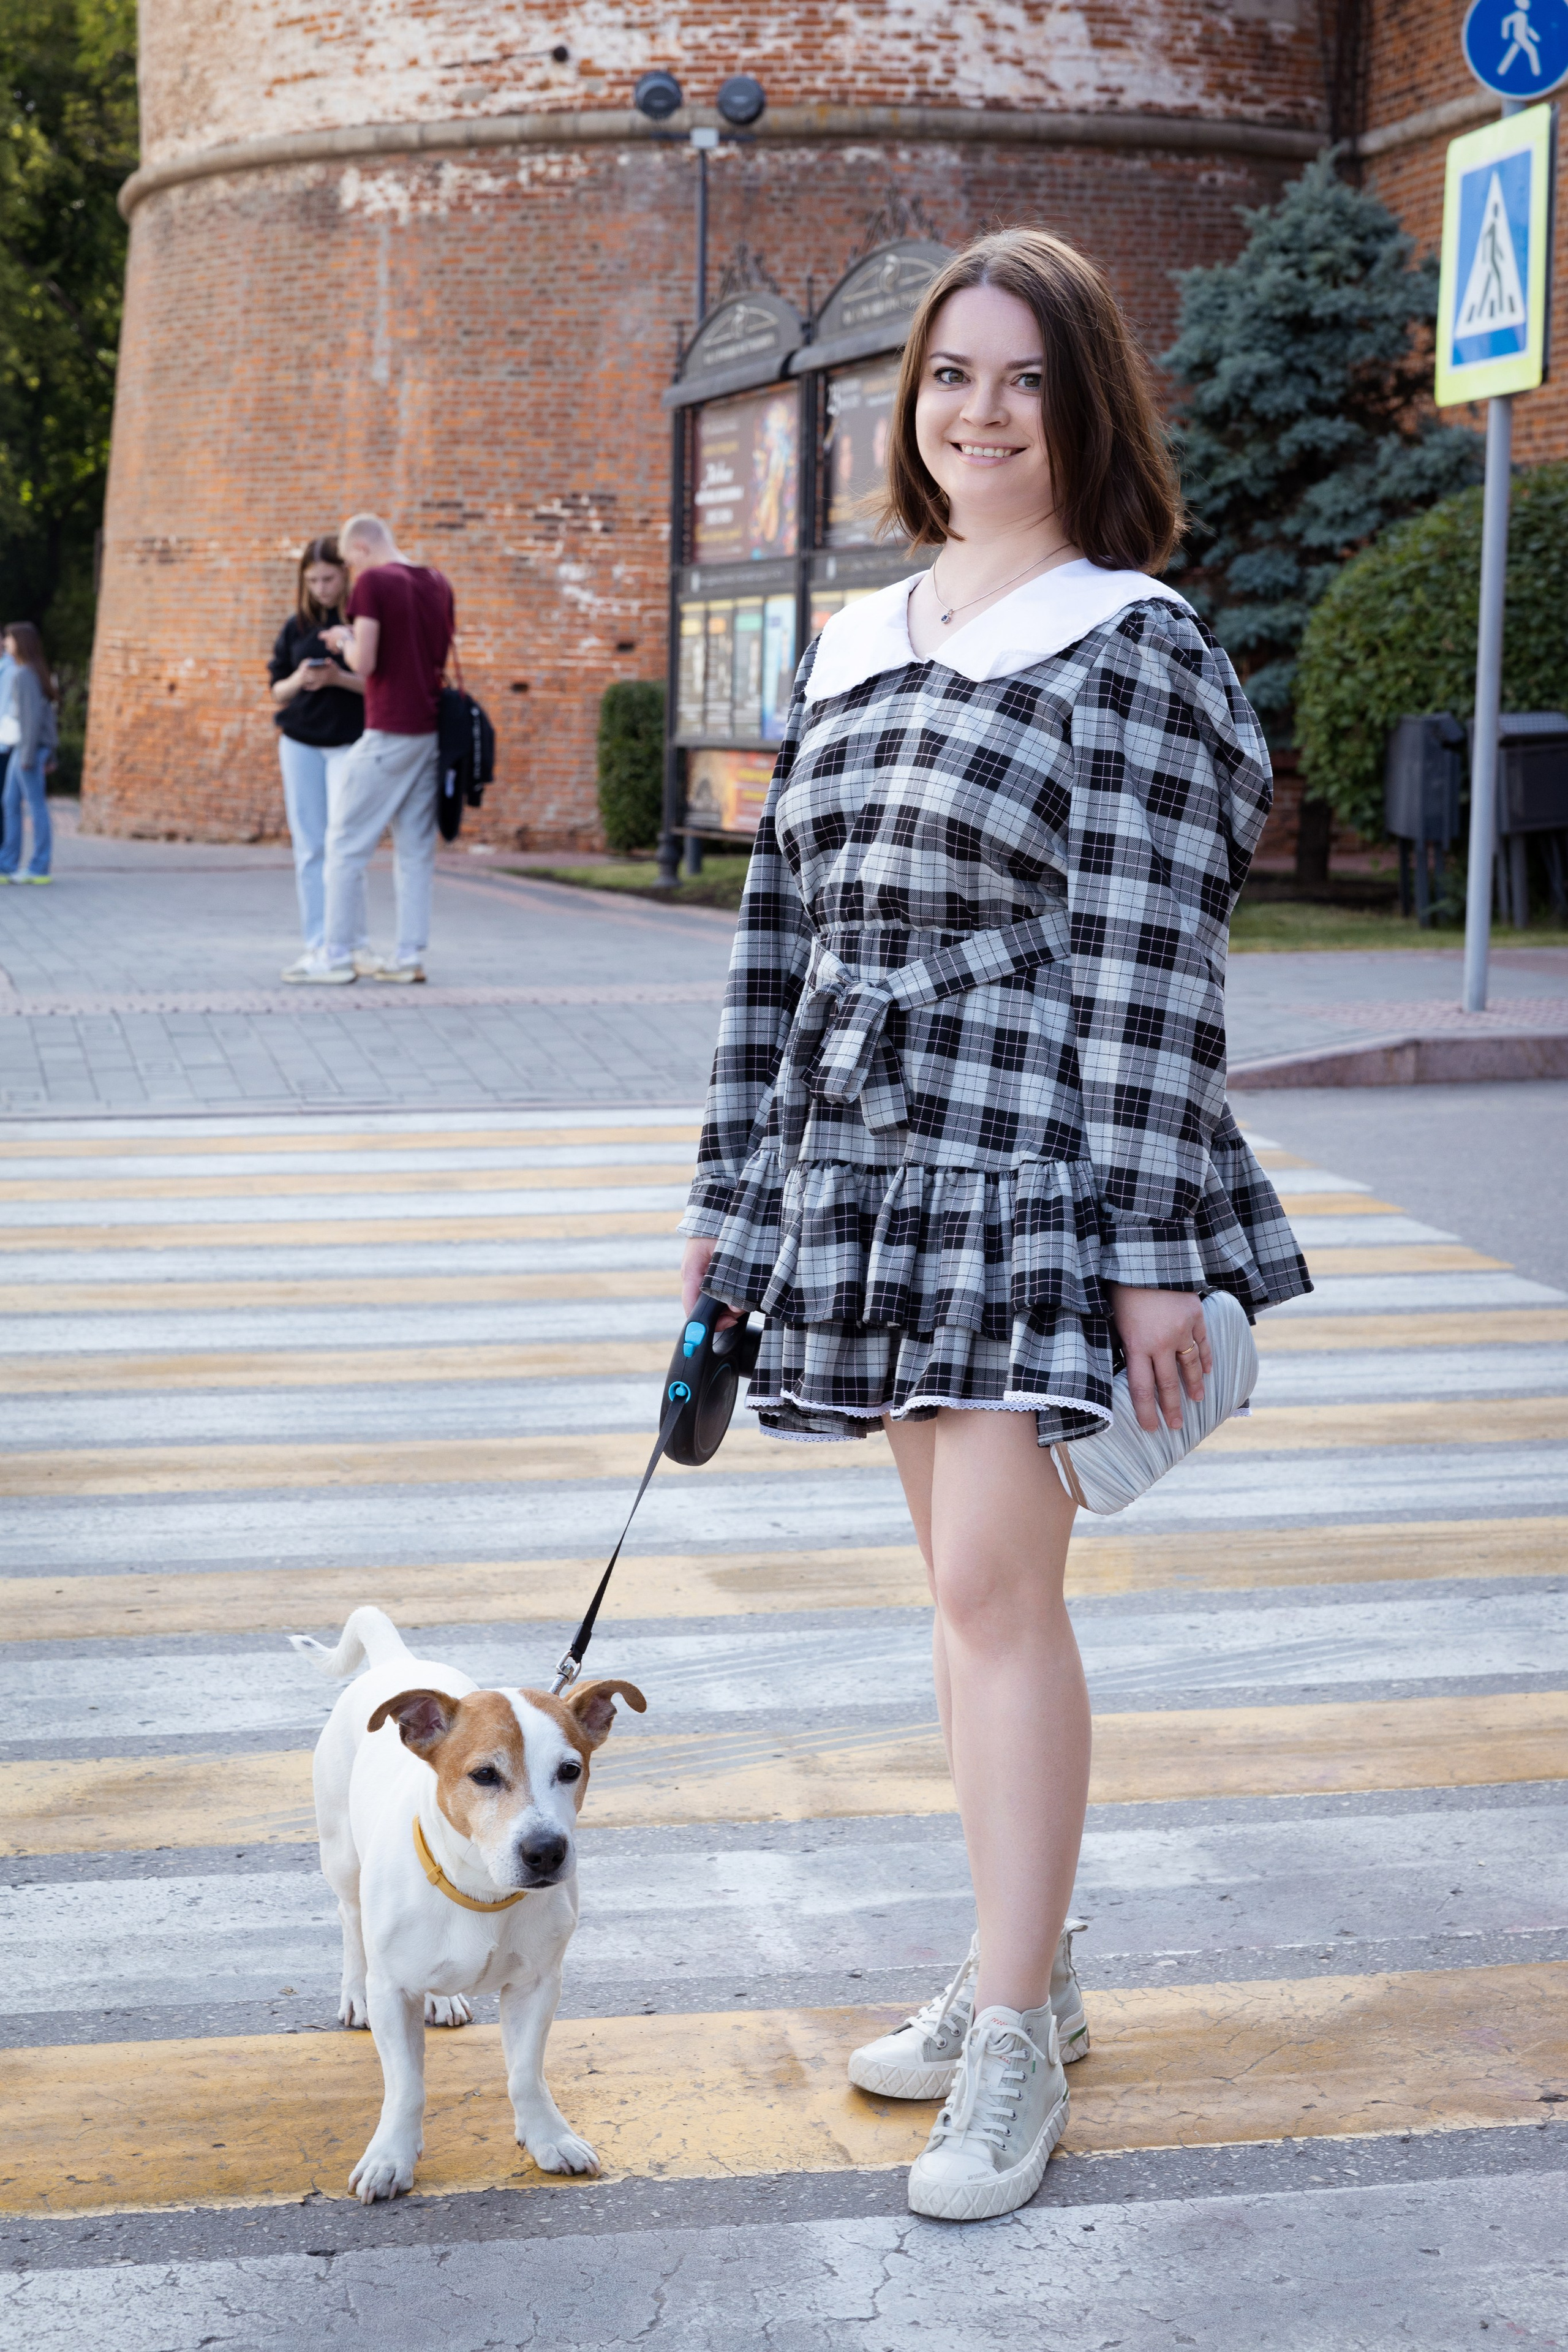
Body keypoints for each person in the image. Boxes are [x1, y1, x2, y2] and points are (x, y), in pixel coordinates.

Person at [678, 229, 1310, 2222]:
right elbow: (776, 948)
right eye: (950, 376)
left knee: (992, 1600)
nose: (979, 411)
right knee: (956, 1605)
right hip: (869, 1183)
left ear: (1086, 407)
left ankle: (1019, 2034)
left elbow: (1148, 973)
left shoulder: (1132, 648)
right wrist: (727, 1208)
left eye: (1024, 379)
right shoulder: (861, 644)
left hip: (1041, 1171)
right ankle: (1023, 1959)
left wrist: (1139, 1247)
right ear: (909, 409)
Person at [304, 513, 455, 984]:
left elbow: (366, 664)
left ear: (362, 549)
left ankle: (333, 955)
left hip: (389, 728)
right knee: (413, 849)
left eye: (350, 561)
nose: (351, 571)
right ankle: (409, 954)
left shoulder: (373, 584)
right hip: (431, 731)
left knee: (345, 844)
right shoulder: (437, 581)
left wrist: (345, 639)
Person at [268, 535, 370, 981]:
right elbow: (276, 690)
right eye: (313, 581)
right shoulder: (296, 626)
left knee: (343, 847)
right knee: (309, 848)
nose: (322, 588)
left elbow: (376, 685)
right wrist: (299, 679)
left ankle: (351, 942)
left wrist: (337, 678)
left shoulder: (362, 623)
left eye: (329, 578)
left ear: (345, 574)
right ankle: (316, 943)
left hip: (347, 743)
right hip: (299, 742)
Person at [0, 623, 60, 885]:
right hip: (26, 748)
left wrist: (28, 757)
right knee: (10, 802)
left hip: (29, 749)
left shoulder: (24, 675)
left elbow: (33, 719)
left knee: (35, 808)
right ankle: (7, 865)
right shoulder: (31, 672)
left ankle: (39, 867)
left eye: (10, 640)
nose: (6, 643)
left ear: (20, 643)